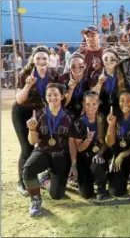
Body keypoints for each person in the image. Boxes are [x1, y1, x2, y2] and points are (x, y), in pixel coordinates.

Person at [12, 46, 59, 197]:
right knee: (27, 148)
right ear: (32, 59)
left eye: (44, 58)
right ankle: (22, 182)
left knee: (47, 145)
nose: (41, 61)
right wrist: (27, 85)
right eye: (38, 58)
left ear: (48, 59)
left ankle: (44, 177)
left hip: (42, 114)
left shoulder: (53, 74)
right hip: (22, 112)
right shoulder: (26, 73)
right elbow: (19, 100)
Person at [22, 83, 75, 216]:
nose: (52, 97)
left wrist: (73, 163)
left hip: (61, 155)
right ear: (45, 98)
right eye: (49, 95)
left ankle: (45, 179)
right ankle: (35, 200)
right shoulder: (39, 115)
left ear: (62, 96)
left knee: (57, 195)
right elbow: (33, 141)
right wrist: (32, 129)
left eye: (56, 94)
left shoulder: (70, 116)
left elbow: (72, 142)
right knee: (28, 170)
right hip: (43, 151)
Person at [106, 89, 130, 199]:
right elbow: (110, 143)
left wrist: (123, 154)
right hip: (119, 155)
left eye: (129, 100)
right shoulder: (114, 116)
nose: (125, 104)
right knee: (115, 192)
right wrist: (111, 125)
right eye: (122, 100)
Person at [69, 90, 109, 200]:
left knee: (96, 162)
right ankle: (87, 180)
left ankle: (101, 188)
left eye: (94, 104)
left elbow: (107, 143)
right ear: (83, 104)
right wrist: (88, 140)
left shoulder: (103, 119)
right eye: (88, 104)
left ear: (98, 103)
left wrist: (100, 153)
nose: (91, 107)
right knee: (86, 194)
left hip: (99, 156)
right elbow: (79, 148)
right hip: (84, 158)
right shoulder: (78, 123)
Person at [91, 48, 125, 117]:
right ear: (102, 61)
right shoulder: (96, 74)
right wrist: (99, 83)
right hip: (101, 108)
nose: (108, 61)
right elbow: (91, 97)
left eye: (112, 59)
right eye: (106, 59)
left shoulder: (123, 73)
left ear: (117, 61)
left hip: (118, 106)